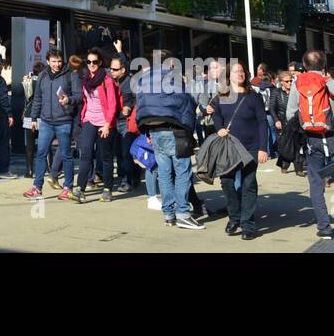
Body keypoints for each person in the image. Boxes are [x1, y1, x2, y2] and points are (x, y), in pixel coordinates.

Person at [288, 50, 334, 239]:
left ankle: (324, 227)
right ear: (323, 64)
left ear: (304, 65)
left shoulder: (298, 85)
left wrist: (303, 129)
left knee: (316, 184)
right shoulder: (332, 84)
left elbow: (290, 113)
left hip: (312, 139)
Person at [135, 57, 203, 229]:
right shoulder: (173, 78)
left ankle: (169, 215)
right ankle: (183, 213)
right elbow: (186, 103)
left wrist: (145, 130)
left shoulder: (144, 79)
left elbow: (140, 105)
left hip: (153, 128)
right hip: (174, 129)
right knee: (183, 171)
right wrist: (189, 129)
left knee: (164, 174)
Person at [210, 62, 269, 239]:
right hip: (228, 147)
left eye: (242, 71)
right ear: (228, 76)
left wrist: (262, 148)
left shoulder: (254, 97)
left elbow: (262, 122)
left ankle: (248, 224)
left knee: (248, 183)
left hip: (251, 147)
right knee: (227, 182)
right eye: (236, 72)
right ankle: (234, 217)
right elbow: (216, 114)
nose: (240, 74)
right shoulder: (221, 96)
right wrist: (219, 128)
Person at [24, 48, 79, 200]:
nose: (57, 64)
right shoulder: (42, 76)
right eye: (54, 61)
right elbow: (37, 99)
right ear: (48, 61)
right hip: (46, 122)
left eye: (59, 61)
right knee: (41, 154)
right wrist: (34, 118)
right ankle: (37, 187)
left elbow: (79, 96)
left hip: (64, 121)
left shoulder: (71, 76)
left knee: (67, 155)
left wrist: (69, 99)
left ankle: (68, 187)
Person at [71, 48, 120, 203]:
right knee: (85, 154)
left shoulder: (107, 81)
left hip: (105, 122)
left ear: (100, 63)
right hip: (89, 120)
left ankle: (107, 189)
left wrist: (107, 125)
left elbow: (112, 105)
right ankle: (80, 189)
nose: (91, 64)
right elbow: (85, 100)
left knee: (105, 157)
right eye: (89, 61)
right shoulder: (85, 79)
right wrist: (84, 117)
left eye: (95, 62)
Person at [107, 54, 136, 194]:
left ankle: (126, 181)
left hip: (126, 122)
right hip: (112, 121)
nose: (111, 71)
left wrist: (129, 106)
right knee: (117, 152)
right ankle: (133, 173)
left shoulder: (130, 82)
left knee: (125, 153)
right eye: (110, 68)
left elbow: (137, 99)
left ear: (123, 70)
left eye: (114, 69)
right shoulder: (109, 81)